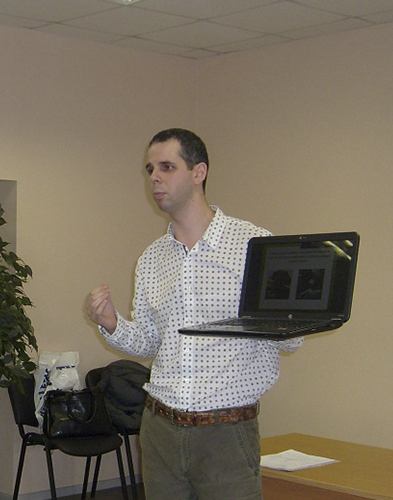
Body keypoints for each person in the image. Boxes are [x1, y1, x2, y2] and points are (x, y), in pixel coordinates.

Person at [87, 128, 303, 500]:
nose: (154, 178)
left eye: (167, 167)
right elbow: (150, 341)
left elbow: (292, 341)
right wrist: (111, 323)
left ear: (198, 172)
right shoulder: (152, 259)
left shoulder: (253, 245)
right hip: (160, 429)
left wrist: (285, 311)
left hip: (225, 433)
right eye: (150, 169)